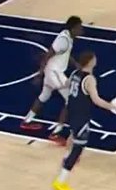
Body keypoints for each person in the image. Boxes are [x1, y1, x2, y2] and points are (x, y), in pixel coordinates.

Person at [52, 51, 116, 190]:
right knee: (78, 147)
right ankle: (61, 180)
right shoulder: (89, 79)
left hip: (71, 112)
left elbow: (66, 84)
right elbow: (96, 100)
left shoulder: (74, 73)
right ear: (90, 61)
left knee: (73, 136)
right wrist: (113, 107)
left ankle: (66, 159)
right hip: (80, 115)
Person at [21, 15, 83, 143]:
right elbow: (48, 55)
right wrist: (40, 74)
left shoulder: (68, 37)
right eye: (79, 28)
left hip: (52, 72)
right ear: (73, 28)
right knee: (70, 100)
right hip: (55, 73)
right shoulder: (63, 40)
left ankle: (26, 121)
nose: (81, 30)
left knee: (43, 96)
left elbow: (65, 53)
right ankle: (56, 133)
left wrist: (75, 63)